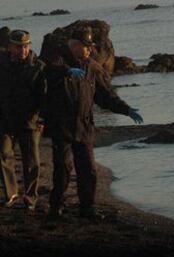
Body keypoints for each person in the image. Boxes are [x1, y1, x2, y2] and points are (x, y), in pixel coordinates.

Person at [44, 27, 143, 221]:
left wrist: (126, 109)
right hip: (61, 126)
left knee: (88, 170)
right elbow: (49, 73)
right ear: (74, 45)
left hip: (84, 125)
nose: (89, 50)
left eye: (90, 47)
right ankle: (56, 206)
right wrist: (66, 72)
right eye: (86, 46)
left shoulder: (92, 67)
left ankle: (87, 208)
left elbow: (105, 96)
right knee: (63, 168)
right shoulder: (58, 61)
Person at [0, 30, 47, 211]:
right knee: (3, 154)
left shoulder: (38, 67)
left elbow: (45, 96)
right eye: (19, 47)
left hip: (30, 120)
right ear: (10, 47)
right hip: (5, 118)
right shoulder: (2, 64)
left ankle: (30, 198)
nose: (23, 50)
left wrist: (41, 118)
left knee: (31, 161)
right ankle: (11, 193)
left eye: (26, 46)